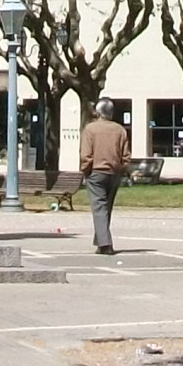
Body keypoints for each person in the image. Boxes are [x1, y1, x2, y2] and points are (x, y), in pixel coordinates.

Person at [80, 98, 131, 255]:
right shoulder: (120, 130)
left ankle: (105, 244)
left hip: (96, 172)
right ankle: (101, 241)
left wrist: (85, 170)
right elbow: (126, 155)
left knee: (99, 207)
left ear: (98, 112)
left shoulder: (90, 129)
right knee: (106, 207)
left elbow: (86, 154)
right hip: (114, 173)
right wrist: (121, 169)